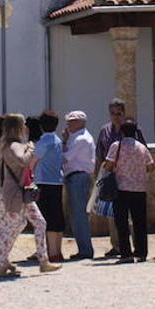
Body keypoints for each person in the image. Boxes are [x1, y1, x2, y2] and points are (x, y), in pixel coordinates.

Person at [0, 114, 61, 277]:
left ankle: (8, 262)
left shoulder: (6, 145)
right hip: (18, 193)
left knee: (21, 225)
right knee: (15, 226)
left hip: (16, 192)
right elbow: (23, 160)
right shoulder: (15, 145)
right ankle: (5, 262)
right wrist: (31, 148)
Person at [95, 99, 145, 258]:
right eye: (113, 113)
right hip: (112, 178)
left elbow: (142, 150)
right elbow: (99, 154)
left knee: (131, 218)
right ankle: (117, 245)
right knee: (114, 216)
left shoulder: (134, 131)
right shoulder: (105, 131)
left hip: (128, 179)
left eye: (119, 113)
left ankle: (133, 248)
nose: (116, 117)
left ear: (124, 113)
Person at [104, 118, 155, 263]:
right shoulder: (142, 148)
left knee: (122, 222)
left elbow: (108, 164)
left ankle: (126, 253)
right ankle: (141, 252)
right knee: (140, 222)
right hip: (139, 189)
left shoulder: (116, 146)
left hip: (121, 188)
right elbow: (151, 166)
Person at [62, 110, 96, 260]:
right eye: (69, 121)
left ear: (82, 122)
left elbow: (65, 157)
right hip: (74, 177)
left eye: (73, 121)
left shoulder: (81, 139)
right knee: (76, 214)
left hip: (78, 178)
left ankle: (85, 250)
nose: (69, 124)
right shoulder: (75, 137)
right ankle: (83, 249)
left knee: (79, 215)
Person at [32, 110, 65, 262]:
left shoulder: (43, 142)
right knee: (57, 217)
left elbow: (33, 160)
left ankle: (51, 253)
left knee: (46, 219)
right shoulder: (58, 140)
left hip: (43, 181)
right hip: (57, 181)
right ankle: (57, 250)